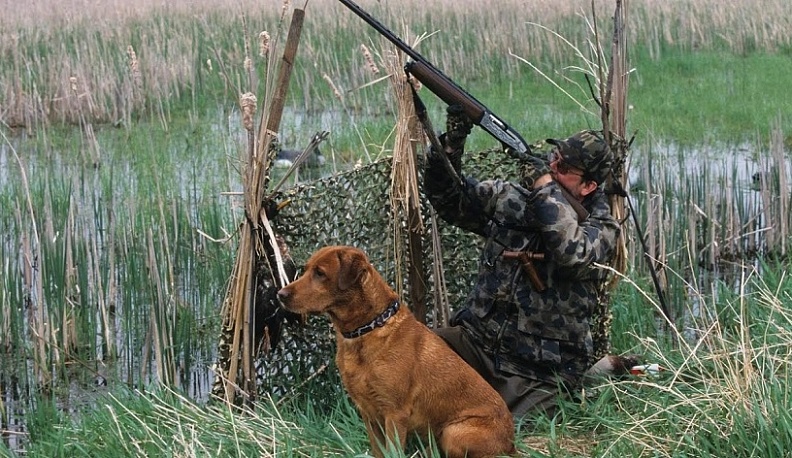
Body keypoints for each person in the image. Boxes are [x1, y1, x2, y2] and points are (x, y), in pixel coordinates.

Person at [425, 105, 621, 418]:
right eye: (554, 157)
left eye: (564, 166)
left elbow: (573, 256)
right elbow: (448, 200)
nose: (553, 166)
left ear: (589, 187)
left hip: (536, 372)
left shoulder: (602, 228)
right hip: (476, 344)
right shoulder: (512, 198)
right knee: (412, 355)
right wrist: (453, 140)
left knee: (492, 428)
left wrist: (544, 186)